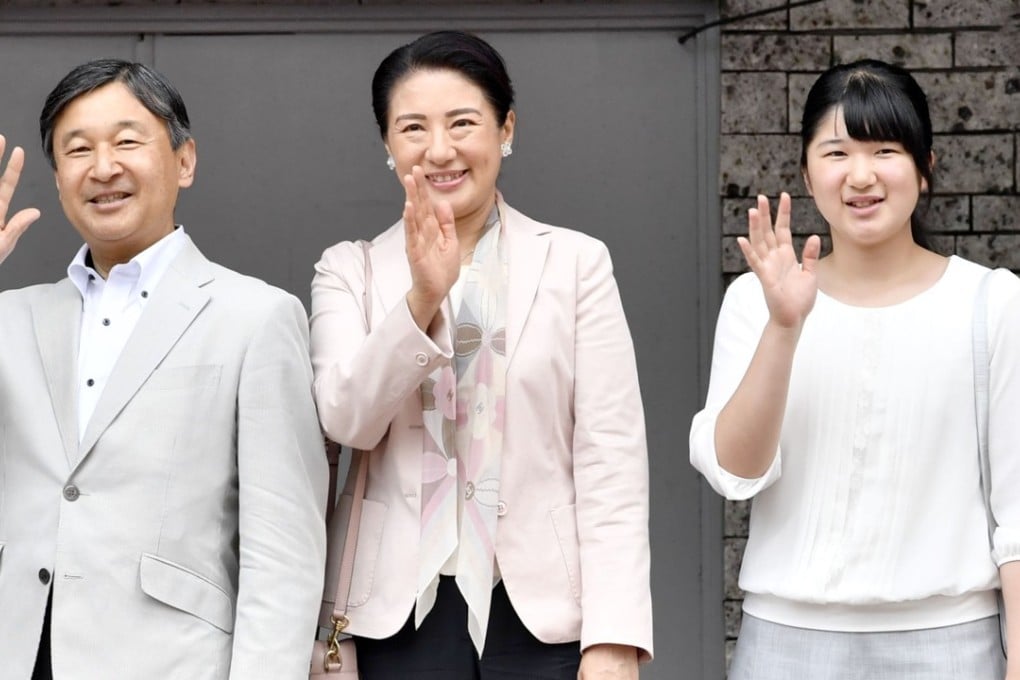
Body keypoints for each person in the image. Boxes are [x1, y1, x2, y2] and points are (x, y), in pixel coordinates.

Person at [310, 30, 653, 680]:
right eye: (413, 128)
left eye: (462, 123)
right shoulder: (348, 270)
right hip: (396, 616)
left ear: (505, 129)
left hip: (540, 612)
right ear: (388, 144)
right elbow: (347, 421)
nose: (440, 150)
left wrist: (615, 635)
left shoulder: (576, 264)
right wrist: (422, 301)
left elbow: (610, 458)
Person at [690, 59, 1020, 678]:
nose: (861, 175)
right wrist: (784, 327)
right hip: (787, 641)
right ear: (807, 173)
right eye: (836, 152)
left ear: (926, 168)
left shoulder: (992, 303)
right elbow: (736, 472)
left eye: (886, 150)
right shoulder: (755, 300)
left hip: (950, 642)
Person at [0, 59, 328, 679]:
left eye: (126, 141)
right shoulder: (10, 319)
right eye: (78, 149)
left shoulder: (256, 318)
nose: (103, 167)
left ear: (184, 161)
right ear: (58, 174)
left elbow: (284, 553)